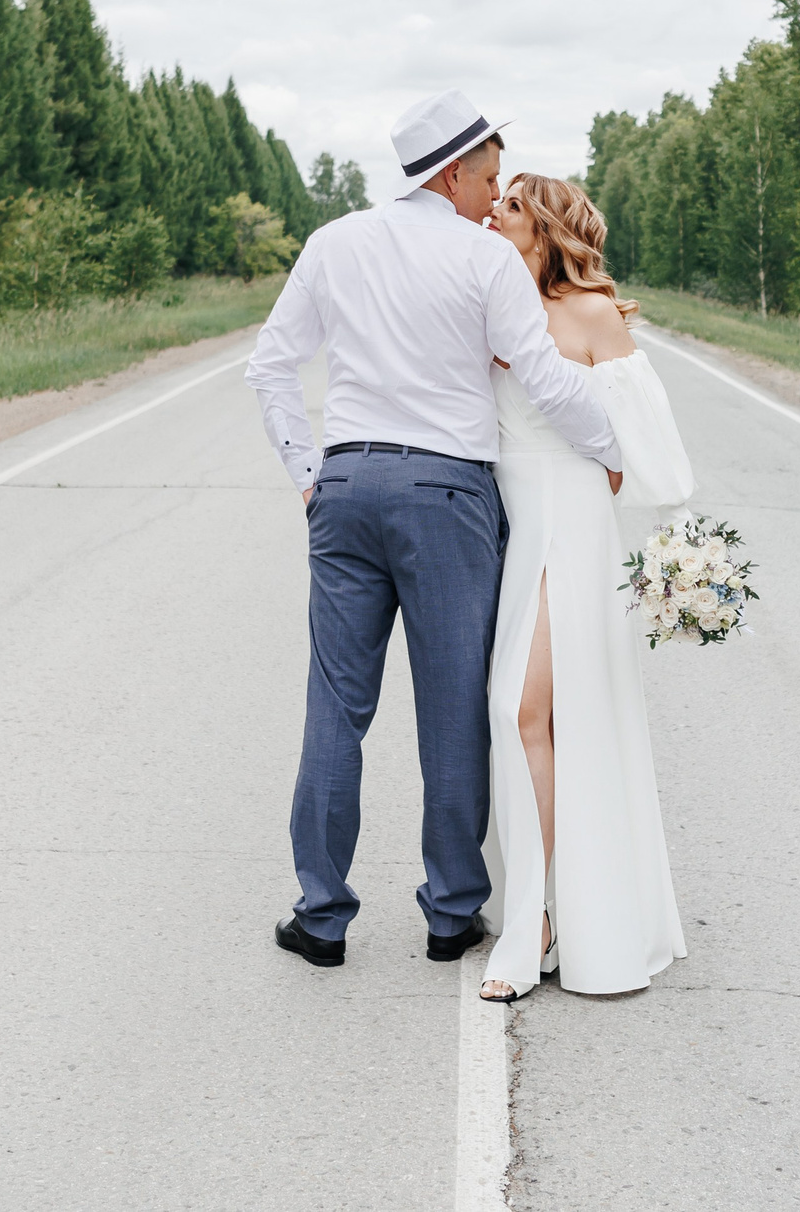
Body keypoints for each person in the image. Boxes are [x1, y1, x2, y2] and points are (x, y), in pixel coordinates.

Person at [244, 92, 623, 968]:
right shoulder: (484, 260)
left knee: (335, 704)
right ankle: (452, 914)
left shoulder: (334, 242)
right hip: (447, 494)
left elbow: (270, 366)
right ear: (451, 171)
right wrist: (610, 450)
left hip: (345, 484)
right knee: (454, 706)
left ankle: (322, 914)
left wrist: (310, 474)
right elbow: (545, 377)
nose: (497, 199)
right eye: (490, 179)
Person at [477, 173, 694, 1002]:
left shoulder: (593, 315)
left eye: (512, 206)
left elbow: (646, 451)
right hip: (515, 526)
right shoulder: (496, 308)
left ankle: (535, 918)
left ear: (549, 228)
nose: (495, 212)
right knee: (531, 718)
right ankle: (552, 907)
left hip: (569, 527)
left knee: (521, 710)